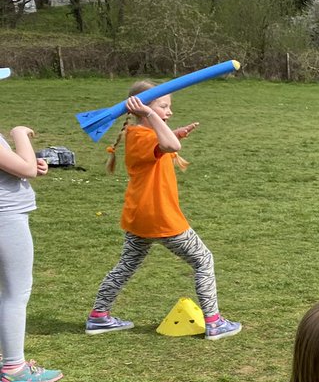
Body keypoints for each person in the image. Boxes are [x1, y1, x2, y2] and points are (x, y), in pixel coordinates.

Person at [85, 82, 240, 339]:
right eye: (163, 106)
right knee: (203, 260)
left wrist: (174, 131)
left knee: (126, 265)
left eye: (169, 107)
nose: (168, 112)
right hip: (160, 217)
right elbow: (170, 147)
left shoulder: (139, 135)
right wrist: (152, 116)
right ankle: (214, 322)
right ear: (144, 108)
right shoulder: (144, 137)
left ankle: (99, 316)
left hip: (139, 217)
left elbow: (164, 144)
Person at [0, 123, 63, 382]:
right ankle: (14, 368)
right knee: (16, 292)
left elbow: (19, 167)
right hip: (6, 216)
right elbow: (25, 170)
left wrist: (27, 161)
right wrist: (19, 134)